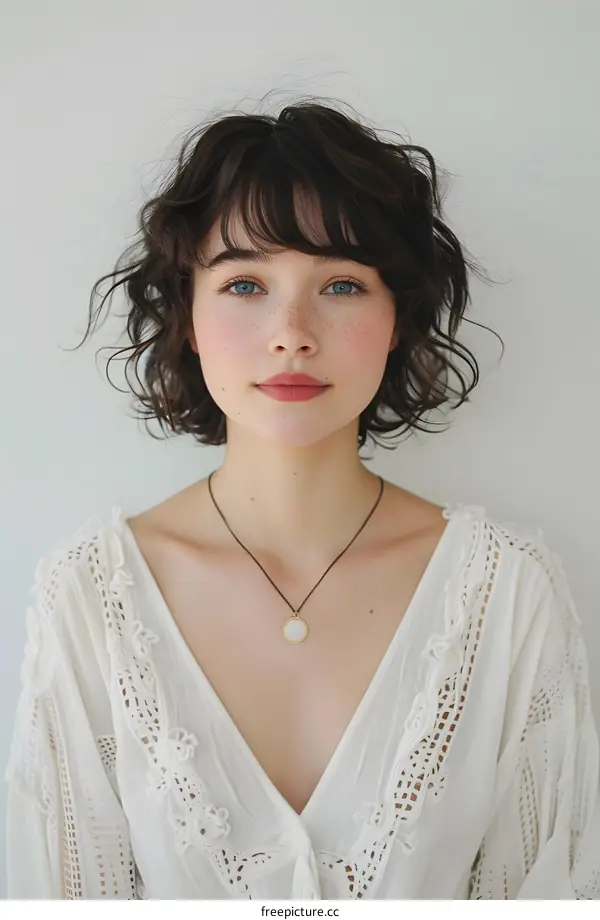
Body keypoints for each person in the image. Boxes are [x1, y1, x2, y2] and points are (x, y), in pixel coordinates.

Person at [4, 96, 600, 900]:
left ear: (397, 320)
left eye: (343, 286)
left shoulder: (508, 594)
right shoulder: (89, 596)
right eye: (245, 283)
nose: (291, 330)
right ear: (186, 312)